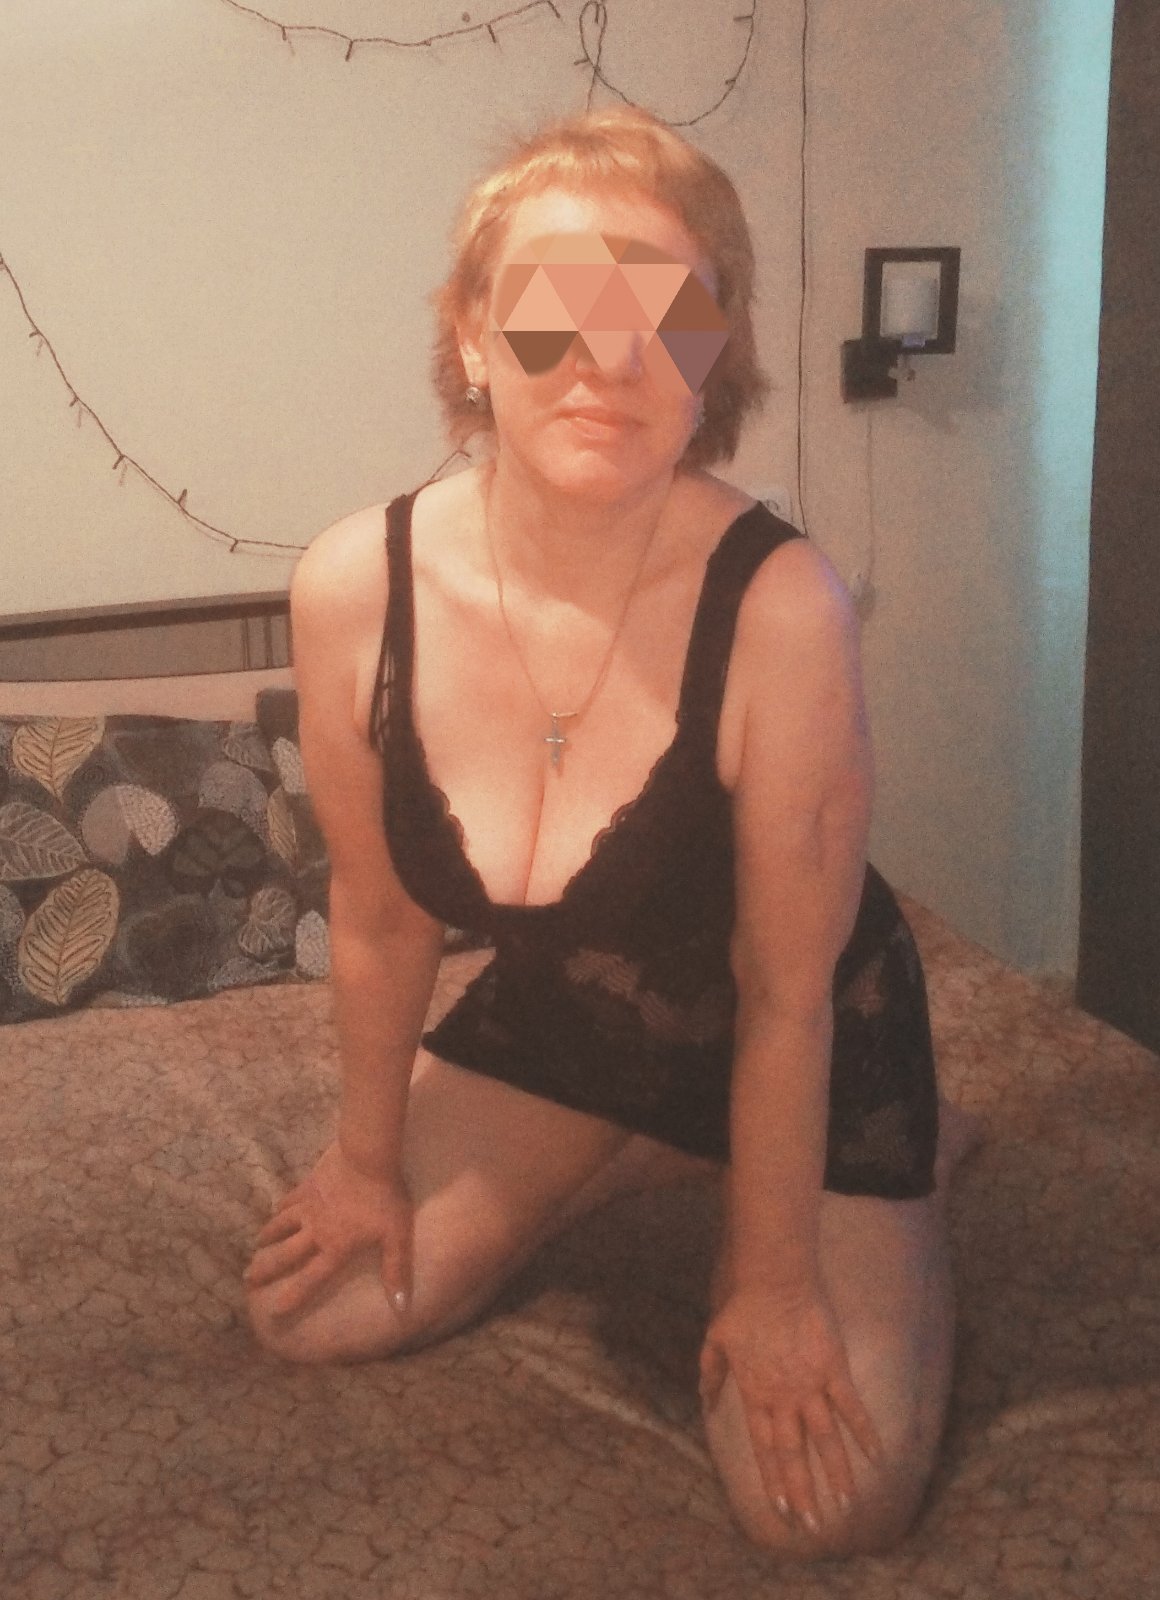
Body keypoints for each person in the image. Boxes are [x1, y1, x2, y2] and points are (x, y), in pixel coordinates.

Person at [244, 105, 972, 1560]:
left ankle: (916, 1170)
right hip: (581, 1012)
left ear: (715, 358)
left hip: (803, 1026)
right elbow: (381, 913)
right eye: (553, 313)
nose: (608, 360)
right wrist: (364, 1158)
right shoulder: (354, 588)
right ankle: (647, 1139)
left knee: (821, 1511)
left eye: (666, 318)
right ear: (473, 337)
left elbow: (782, 992)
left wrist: (771, 1284)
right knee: (312, 1318)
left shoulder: (784, 607)